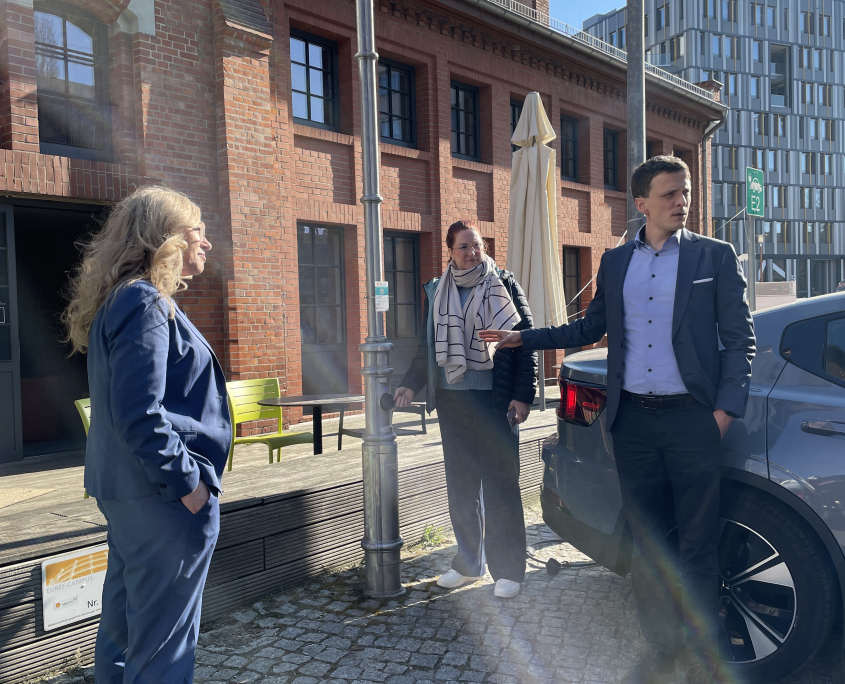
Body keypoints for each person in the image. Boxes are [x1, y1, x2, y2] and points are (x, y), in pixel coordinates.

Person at [480, 156, 755, 684]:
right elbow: (590, 327)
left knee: (698, 543)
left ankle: (705, 653)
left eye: (686, 192)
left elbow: (741, 339)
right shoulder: (615, 262)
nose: (682, 202)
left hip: (693, 421)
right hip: (632, 425)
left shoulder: (714, 257)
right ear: (642, 202)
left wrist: (723, 411)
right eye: (671, 194)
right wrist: (524, 337)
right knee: (649, 543)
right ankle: (661, 647)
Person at [62, 186, 231, 684]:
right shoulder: (145, 302)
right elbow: (139, 412)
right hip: (161, 498)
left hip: (129, 493)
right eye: (197, 231)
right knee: (163, 648)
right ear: (168, 239)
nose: (206, 243)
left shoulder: (124, 298)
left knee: (119, 636)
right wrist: (189, 486)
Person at [394, 220, 537, 599]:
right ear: (450, 252)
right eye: (464, 247)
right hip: (453, 399)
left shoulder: (503, 284)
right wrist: (410, 383)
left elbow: (524, 342)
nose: (473, 252)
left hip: (495, 399)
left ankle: (508, 570)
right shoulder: (437, 290)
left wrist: (523, 395)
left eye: (477, 245)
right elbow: (427, 346)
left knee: (501, 485)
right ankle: (469, 563)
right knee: (461, 486)